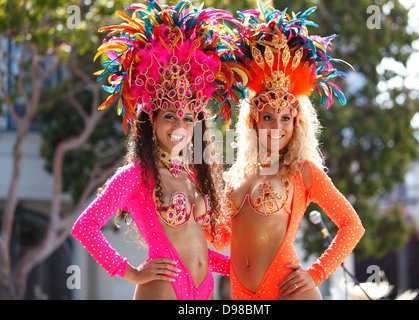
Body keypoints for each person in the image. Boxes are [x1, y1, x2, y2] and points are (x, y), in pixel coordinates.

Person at [71, 0, 237, 300]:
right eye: (169, 115)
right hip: (162, 290)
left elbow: (198, 250)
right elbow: (85, 227)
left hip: (203, 292)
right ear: (152, 121)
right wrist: (129, 271)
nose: (179, 126)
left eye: (188, 118)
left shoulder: (192, 176)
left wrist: (247, 267)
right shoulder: (136, 174)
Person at [221, 3, 365, 300]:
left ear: (296, 122)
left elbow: (352, 226)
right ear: (253, 121)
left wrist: (316, 274)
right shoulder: (237, 175)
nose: (277, 127)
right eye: (268, 117)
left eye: (285, 117)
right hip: (241, 296)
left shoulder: (303, 170)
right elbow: (221, 240)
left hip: (288, 291)